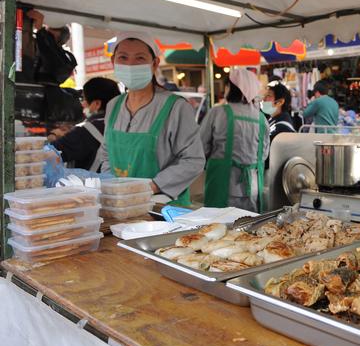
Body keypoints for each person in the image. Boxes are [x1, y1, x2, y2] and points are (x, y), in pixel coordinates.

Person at [98, 31, 205, 205]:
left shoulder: (176, 107)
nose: (130, 64)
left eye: (140, 58)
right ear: (113, 62)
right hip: (121, 205)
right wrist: (113, 187)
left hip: (162, 208)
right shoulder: (113, 106)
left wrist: (153, 186)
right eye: (123, 57)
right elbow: (106, 153)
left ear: (155, 63)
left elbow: (193, 160)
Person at [200, 68, 270, 212]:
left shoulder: (218, 113)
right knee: (248, 230)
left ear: (230, 88)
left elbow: (200, 148)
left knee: (218, 231)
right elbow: (263, 155)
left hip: (222, 187)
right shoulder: (262, 119)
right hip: (253, 188)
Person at [49, 77, 120, 171]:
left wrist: (54, 136)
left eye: (84, 99)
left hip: (94, 184)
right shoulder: (123, 123)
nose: (82, 104)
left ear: (97, 104)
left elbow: (48, 154)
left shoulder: (87, 132)